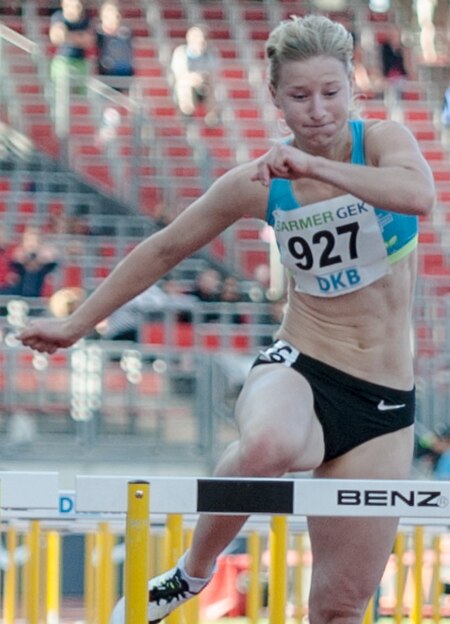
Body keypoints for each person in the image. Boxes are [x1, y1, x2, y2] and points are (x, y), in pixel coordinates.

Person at [18, 14, 435, 624]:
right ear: (275, 99)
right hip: (303, 367)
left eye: (329, 93)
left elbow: (417, 195)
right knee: (268, 443)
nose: (316, 111)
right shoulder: (257, 186)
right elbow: (165, 248)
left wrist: (316, 167)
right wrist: (77, 322)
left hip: (384, 404)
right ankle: (192, 571)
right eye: (299, 96)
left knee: (340, 607)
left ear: (352, 88)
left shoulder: (384, 142)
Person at [170, 24, 220, 125]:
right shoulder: (181, 52)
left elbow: (212, 74)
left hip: (203, 87)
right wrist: (195, 78)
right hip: (185, 87)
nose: (201, 41)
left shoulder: (210, 54)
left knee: (214, 88)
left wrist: (202, 80)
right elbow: (180, 74)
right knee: (184, 85)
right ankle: (187, 112)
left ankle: (212, 117)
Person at [49, 0, 94, 94]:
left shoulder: (85, 20)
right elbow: (57, 37)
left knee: (81, 93)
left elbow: (88, 41)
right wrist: (79, 37)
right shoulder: (58, 17)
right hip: (63, 60)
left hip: (81, 61)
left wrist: (68, 35)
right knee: (62, 91)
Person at [95, 1, 134, 90]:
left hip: (124, 76)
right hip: (103, 77)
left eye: (117, 15)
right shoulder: (96, 34)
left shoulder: (126, 34)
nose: (115, 19)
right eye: (111, 15)